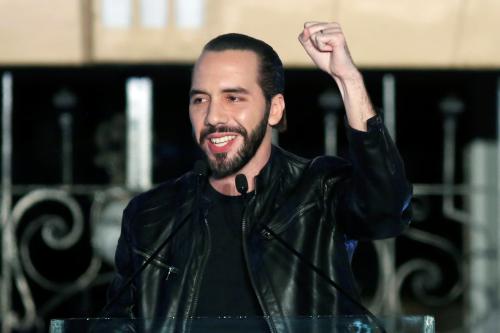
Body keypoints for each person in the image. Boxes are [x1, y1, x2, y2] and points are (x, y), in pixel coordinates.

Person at [106, 22, 412, 332]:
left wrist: (348, 80)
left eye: (233, 98)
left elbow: (386, 208)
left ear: (274, 109)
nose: (212, 117)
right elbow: (114, 324)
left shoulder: (317, 191)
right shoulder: (150, 214)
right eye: (200, 99)